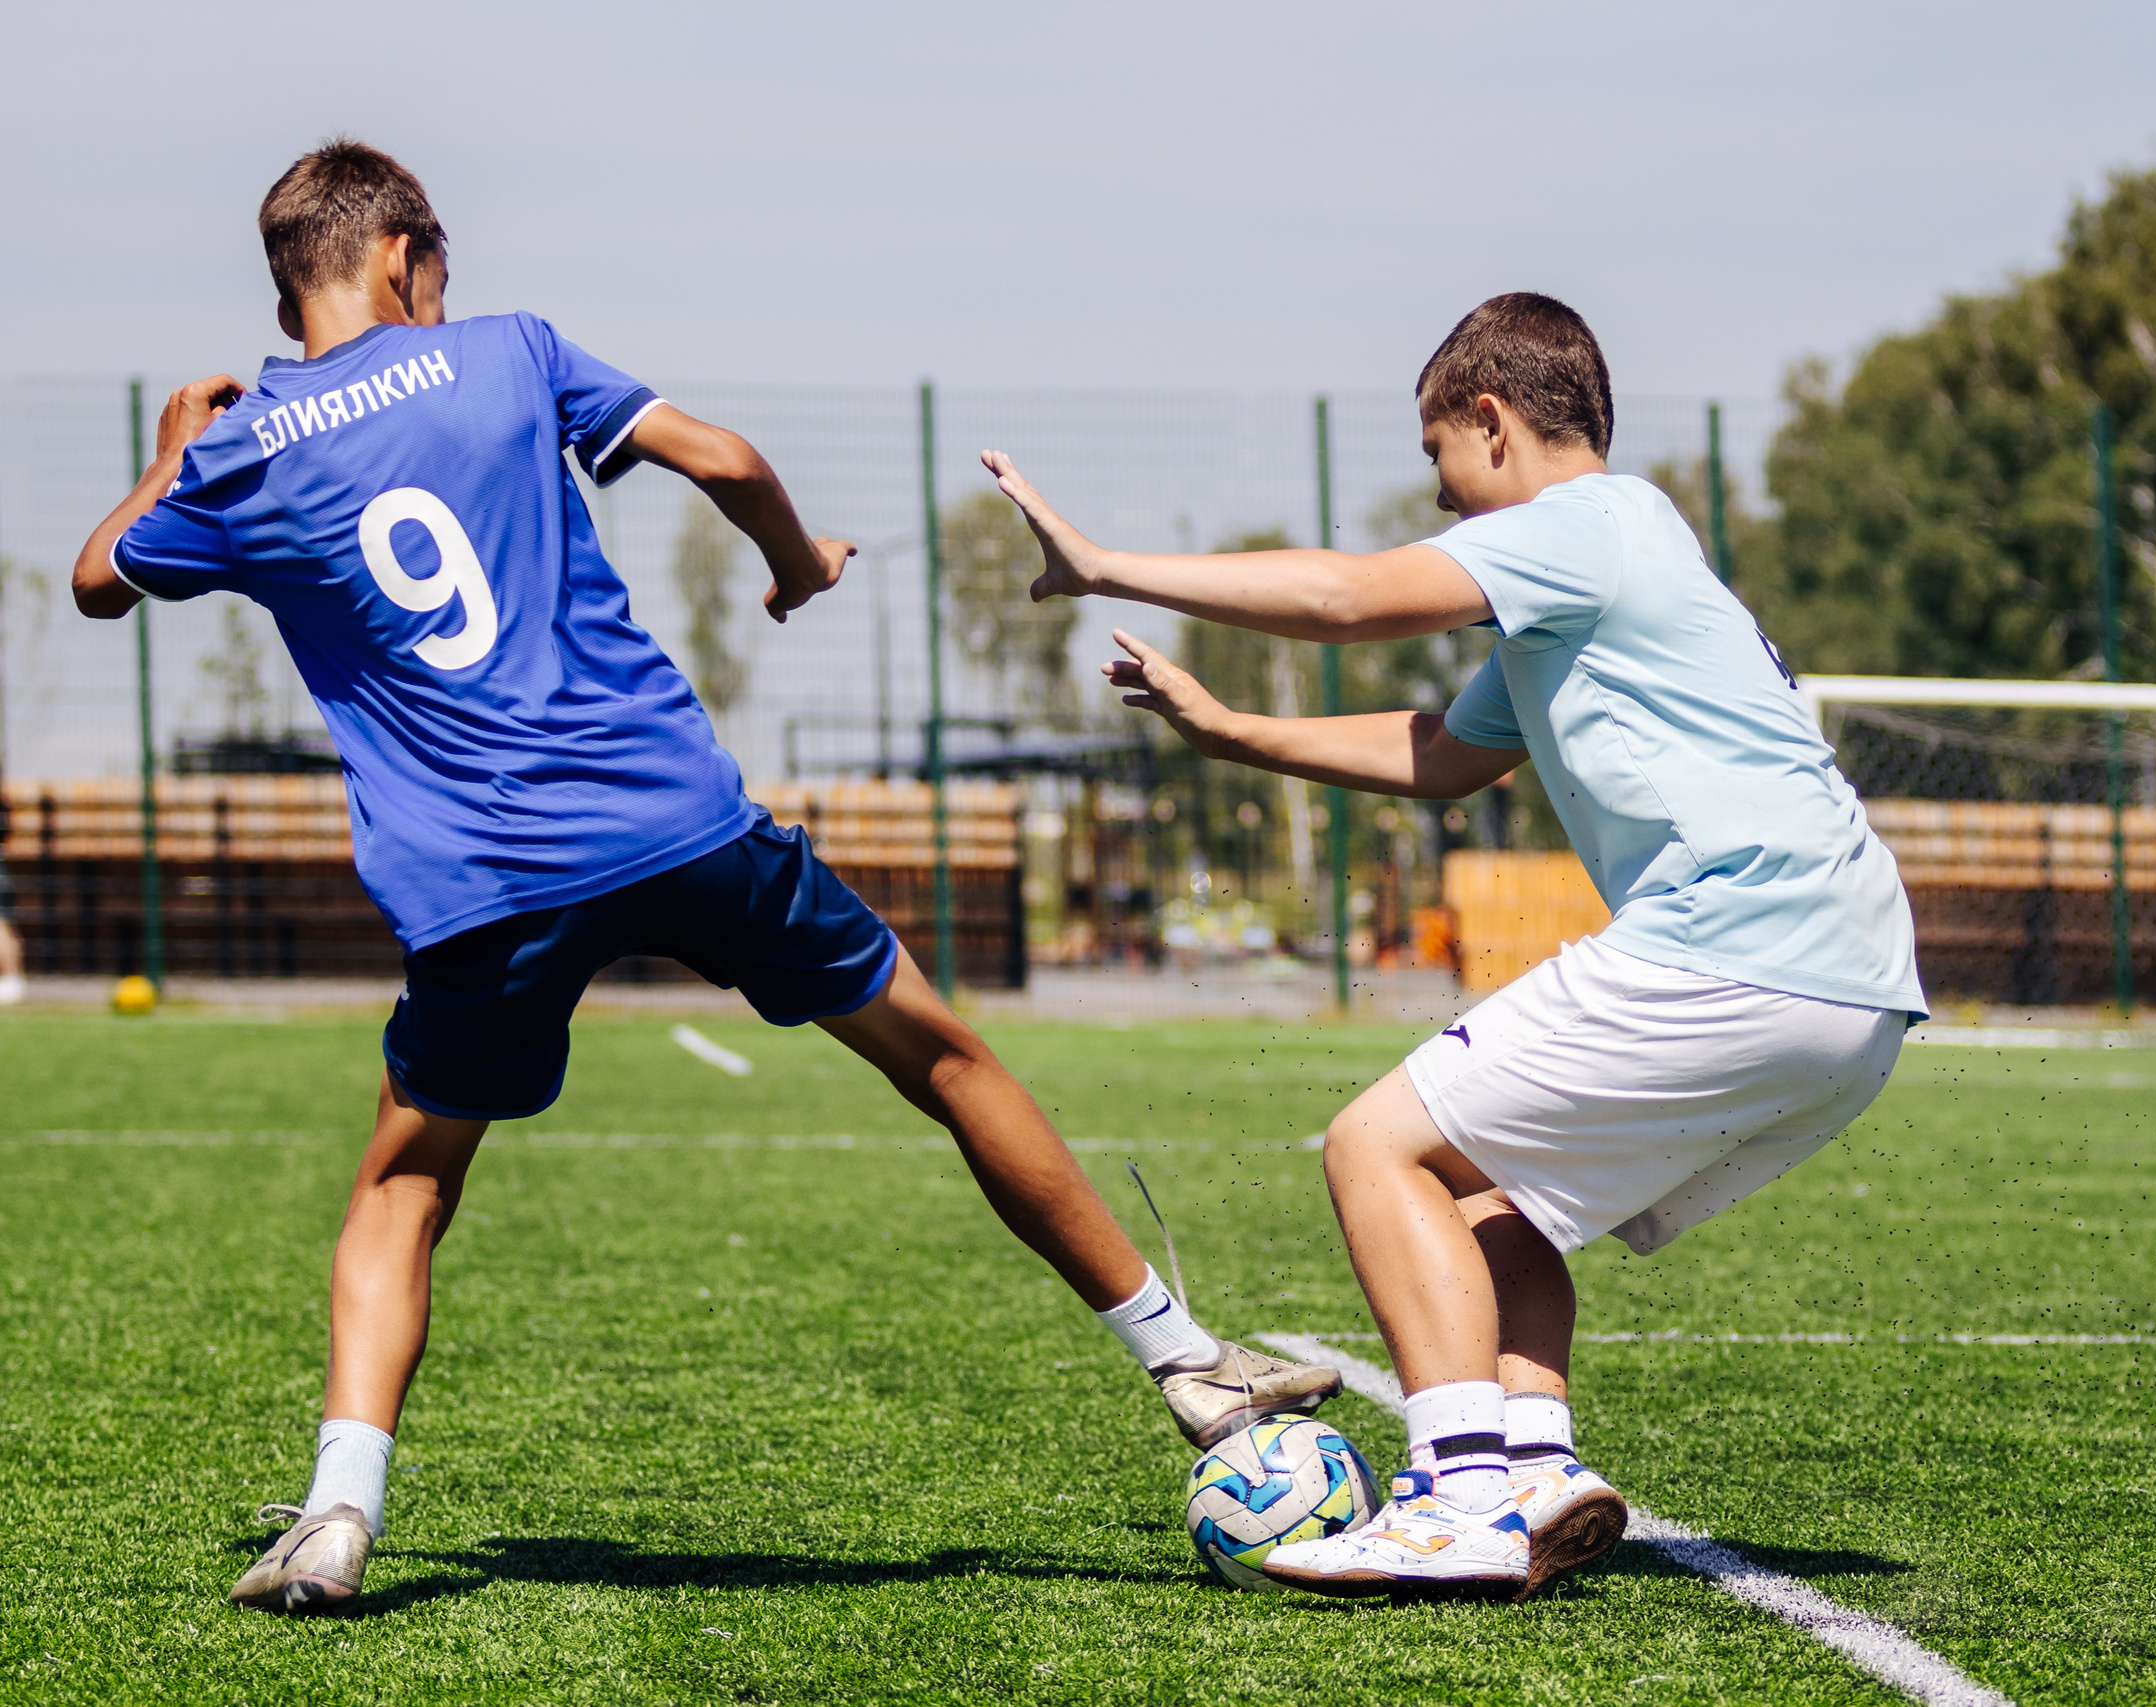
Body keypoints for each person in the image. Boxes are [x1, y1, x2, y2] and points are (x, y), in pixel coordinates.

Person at [71, 141, 1336, 1617]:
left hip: (485, 881)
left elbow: (102, 577)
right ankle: (1185, 1361)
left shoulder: (245, 450)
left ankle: (341, 1515)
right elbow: (728, 459)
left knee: (405, 1181)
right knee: (946, 1061)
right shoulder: (510, 352)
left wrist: (169, 448)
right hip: (674, 819)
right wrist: (796, 567)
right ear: (405, 250)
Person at [985, 293, 1927, 1599]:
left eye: (1437, 456)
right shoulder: (1614, 560)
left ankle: (1457, 1496)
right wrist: (1228, 727)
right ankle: (1534, 1465)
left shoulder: (1579, 528)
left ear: (1491, 422)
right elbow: (1445, 756)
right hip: (1856, 982)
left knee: (1372, 1141)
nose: (1438, 495)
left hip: (1740, 935)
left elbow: (1346, 596)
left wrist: (1108, 565)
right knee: (1491, 1195)